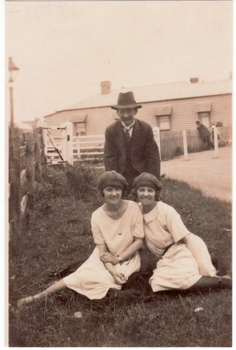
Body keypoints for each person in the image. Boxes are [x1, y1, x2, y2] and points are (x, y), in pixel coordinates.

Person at [17, 171, 144, 308]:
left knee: (110, 281)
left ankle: (76, 291)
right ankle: (38, 297)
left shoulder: (133, 208)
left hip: (127, 257)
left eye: (117, 189)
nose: (114, 193)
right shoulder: (97, 216)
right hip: (105, 257)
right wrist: (111, 269)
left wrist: (118, 259)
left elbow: (138, 241)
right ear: (102, 192)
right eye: (109, 189)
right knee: (81, 275)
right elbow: (102, 251)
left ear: (122, 190)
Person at [132, 172, 232, 292]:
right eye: (141, 190)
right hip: (166, 258)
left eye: (150, 190)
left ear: (156, 193)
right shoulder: (135, 213)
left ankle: (221, 282)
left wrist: (206, 268)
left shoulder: (166, 211)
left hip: (182, 249)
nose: (146, 194)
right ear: (136, 192)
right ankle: (205, 272)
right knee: (157, 282)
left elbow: (188, 240)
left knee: (183, 278)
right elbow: (142, 247)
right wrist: (142, 272)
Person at [104, 91, 160, 193]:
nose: (126, 115)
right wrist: (114, 182)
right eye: (122, 112)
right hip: (120, 175)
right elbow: (109, 159)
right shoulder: (111, 130)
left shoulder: (145, 129)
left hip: (142, 175)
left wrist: (153, 183)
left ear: (135, 111)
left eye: (129, 111)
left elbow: (153, 157)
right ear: (117, 113)